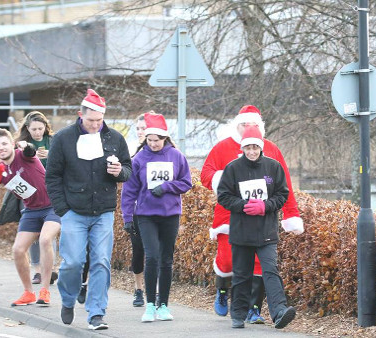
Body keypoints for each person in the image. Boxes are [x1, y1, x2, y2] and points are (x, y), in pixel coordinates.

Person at [200, 105, 304, 322]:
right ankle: (226, 296)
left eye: (253, 125)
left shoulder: (272, 158)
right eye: (244, 125)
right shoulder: (226, 154)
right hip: (233, 221)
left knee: (265, 267)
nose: (252, 151)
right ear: (237, 128)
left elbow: (284, 190)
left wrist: (283, 211)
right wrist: (236, 197)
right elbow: (210, 179)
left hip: (265, 226)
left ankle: (261, 310)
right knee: (233, 266)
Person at [45, 89, 132, 330]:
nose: (95, 125)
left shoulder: (114, 138)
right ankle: (69, 299)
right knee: (73, 262)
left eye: (99, 120)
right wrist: (62, 209)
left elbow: (128, 168)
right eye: (91, 120)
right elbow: (52, 177)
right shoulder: (63, 139)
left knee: (101, 262)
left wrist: (120, 173)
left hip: (103, 211)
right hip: (73, 211)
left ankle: (96, 313)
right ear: (80, 115)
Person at [217, 125, 296, 329]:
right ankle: (238, 313)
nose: (251, 151)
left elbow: (282, 193)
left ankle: (279, 311)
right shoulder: (233, 168)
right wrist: (244, 206)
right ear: (242, 148)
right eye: (248, 148)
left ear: (261, 147)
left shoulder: (273, 167)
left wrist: (264, 206)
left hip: (266, 230)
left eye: (255, 147)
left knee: (270, 270)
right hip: (241, 231)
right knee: (242, 273)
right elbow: (224, 196)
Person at [0, 128, 61, 307]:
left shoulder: (24, 155)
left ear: (12, 144)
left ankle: (44, 291)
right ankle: (28, 293)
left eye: (4, 143)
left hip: (52, 206)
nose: (1, 148)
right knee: (17, 250)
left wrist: (26, 145)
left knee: (45, 240)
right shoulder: (1, 170)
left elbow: (31, 150)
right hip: (31, 211)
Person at [121, 112, 192, 322]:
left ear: (165, 139)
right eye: (149, 140)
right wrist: (127, 216)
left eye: (157, 141)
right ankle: (150, 305)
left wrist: (167, 187)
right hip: (145, 215)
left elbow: (186, 182)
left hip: (170, 214)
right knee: (151, 256)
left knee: (166, 260)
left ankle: (164, 305)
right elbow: (129, 190)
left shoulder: (176, 156)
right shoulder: (139, 159)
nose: (153, 144)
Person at [14, 111, 58, 286]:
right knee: (33, 233)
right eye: (34, 129)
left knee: (49, 234)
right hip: (30, 193)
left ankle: (51, 268)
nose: (38, 132)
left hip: (51, 191)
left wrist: (50, 156)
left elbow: (65, 161)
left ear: (45, 127)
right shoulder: (21, 144)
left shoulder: (54, 141)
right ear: (27, 128)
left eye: (40, 129)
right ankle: (38, 270)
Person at [124, 113, 148, 307]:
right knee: (138, 250)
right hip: (137, 210)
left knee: (158, 253)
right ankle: (138, 289)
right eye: (138, 129)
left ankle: (156, 290)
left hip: (160, 211)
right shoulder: (134, 153)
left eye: (144, 128)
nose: (141, 132)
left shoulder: (168, 152)